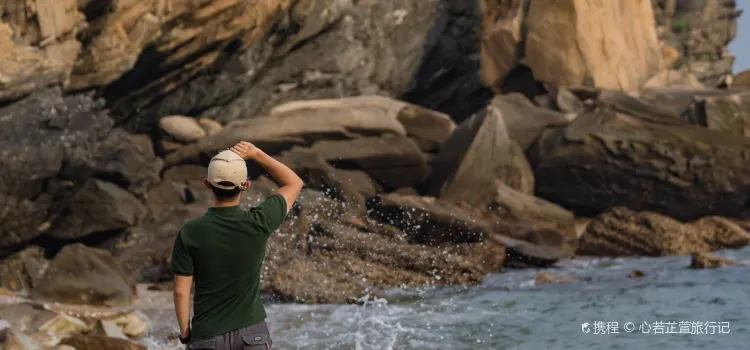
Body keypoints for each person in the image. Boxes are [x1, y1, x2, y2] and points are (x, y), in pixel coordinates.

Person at [171, 141, 303, 350]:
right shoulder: (259, 222)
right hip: (253, 336)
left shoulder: (190, 232)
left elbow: (180, 291)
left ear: (207, 184)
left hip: (207, 335)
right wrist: (258, 154)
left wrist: (185, 333)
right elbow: (294, 183)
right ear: (246, 185)